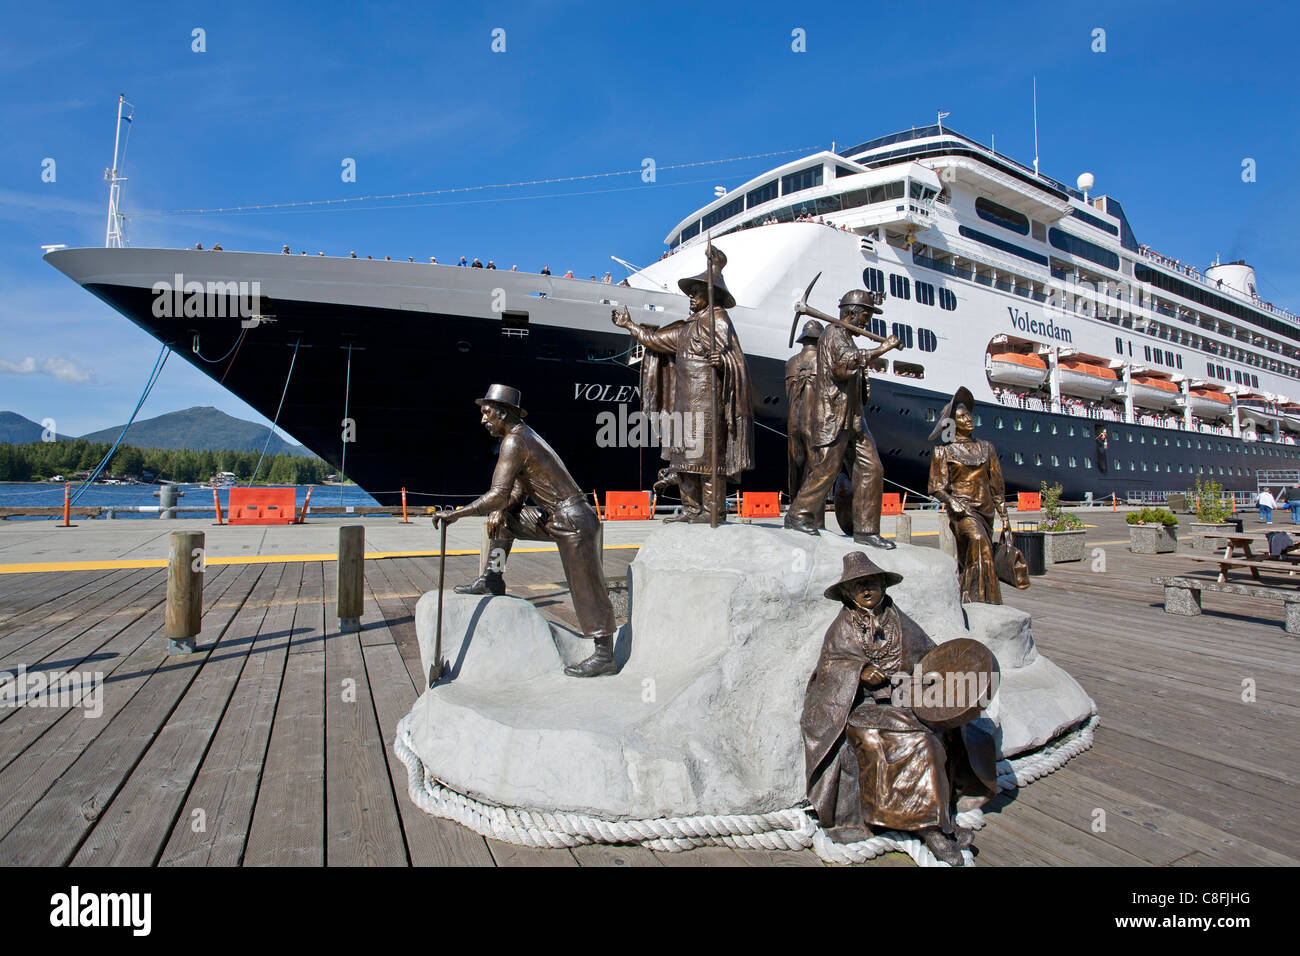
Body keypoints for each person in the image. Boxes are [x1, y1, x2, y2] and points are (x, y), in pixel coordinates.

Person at [800, 552, 999, 864]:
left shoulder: (899, 620)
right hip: (862, 707)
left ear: (883, 585)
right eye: (858, 586)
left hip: (904, 699)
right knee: (912, 743)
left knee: (933, 741)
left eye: (871, 583)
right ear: (848, 593)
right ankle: (932, 830)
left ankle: (935, 824)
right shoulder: (842, 627)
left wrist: (934, 682)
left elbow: (931, 655)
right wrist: (858, 671)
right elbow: (827, 673)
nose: (865, 590)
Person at [440, 385, 618, 678]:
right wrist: (500, 509)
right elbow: (517, 491)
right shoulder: (525, 436)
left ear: (502, 413)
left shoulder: (515, 441)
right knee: (504, 520)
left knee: (587, 589)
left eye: (486, 414)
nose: (483, 420)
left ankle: (604, 656)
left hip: (573, 521)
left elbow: (498, 493)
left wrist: (458, 514)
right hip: (557, 517)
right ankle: (492, 578)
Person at [611, 245, 754, 523]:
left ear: (711, 295)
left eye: (697, 292)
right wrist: (629, 325)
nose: (691, 296)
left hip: (708, 404)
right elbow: (654, 340)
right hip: (684, 403)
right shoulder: (687, 327)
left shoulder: (719, 320)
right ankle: (690, 510)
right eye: (691, 292)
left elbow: (736, 359)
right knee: (685, 462)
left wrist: (722, 360)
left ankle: (713, 511)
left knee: (709, 462)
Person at [786, 290, 900, 547]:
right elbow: (843, 365)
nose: (866, 322)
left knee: (871, 468)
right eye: (865, 316)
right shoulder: (835, 334)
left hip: (854, 418)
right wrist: (882, 348)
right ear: (852, 312)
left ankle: (866, 530)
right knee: (826, 468)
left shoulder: (846, 336)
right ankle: (797, 514)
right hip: (834, 417)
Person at [928, 386, 1010, 604]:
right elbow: (936, 486)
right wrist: (952, 502)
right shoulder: (943, 451)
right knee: (978, 543)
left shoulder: (986, 448)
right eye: (962, 416)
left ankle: (970, 593)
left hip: (985, 510)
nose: (969, 419)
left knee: (973, 555)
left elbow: (996, 484)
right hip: (962, 509)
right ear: (953, 424)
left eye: (969, 415)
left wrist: (1004, 514)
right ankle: (981, 599)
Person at [785, 320, 823, 505]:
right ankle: (813, 514)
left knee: (795, 466)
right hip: (815, 422)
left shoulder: (791, 363)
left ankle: (794, 508)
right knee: (816, 468)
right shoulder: (824, 362)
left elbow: (787, 394)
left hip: (793, 421)